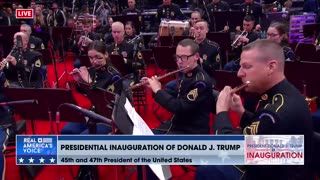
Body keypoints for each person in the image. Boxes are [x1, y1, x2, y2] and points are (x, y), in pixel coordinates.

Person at [197, 39, 313, 179]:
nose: (239, 73)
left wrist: (221, 110)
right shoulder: (283, 92)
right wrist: (241, 112)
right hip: (272, 160)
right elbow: (264, 130)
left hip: (274, 174)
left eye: (246, 66)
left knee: (205, 166)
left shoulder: (277, 111)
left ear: (271, 67)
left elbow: (228, 148)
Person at [142, 38, 214, 134]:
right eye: (177, 57)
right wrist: (156, 88)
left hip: (191, 132)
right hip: (178, 124)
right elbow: (177, 95)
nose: (179, 62)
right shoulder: (186, 72)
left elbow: (179, 107)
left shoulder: (200, 83)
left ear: (196, 56)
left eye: (184, 57)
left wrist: (158, 90)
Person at [61, 40, 121, 134]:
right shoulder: (92, 70)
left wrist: (89, 82)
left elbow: (106, 102)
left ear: (106, 54)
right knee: (67, 131)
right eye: (91, 58)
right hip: (92, 113)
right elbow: (85, 93)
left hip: (107, 119)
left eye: (98, 57)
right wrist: (77, 82)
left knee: (82, 139)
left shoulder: (114, 76)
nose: (94, 62)